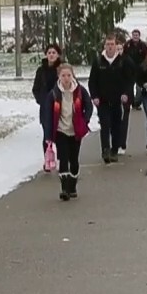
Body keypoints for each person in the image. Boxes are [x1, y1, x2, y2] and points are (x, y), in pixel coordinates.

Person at [40, 64, 93, 201]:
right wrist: (48, 134)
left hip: (75, 130)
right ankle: (64, 188)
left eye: (68, 75)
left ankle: (73, 185)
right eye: (63, 75)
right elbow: (48, 114)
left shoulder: (80, 91)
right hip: (60, 130)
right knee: (63, 158)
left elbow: (88, 105)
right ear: (59, 77)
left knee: (73, 160)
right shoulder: (54, 94)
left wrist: (85, 120)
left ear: (72, 75)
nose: (66, 78)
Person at [87, 35, 135, 162]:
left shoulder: (122, 61)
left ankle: (114, 150)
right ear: (104, 46)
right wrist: (94, 96)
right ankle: (105, 150)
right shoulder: (98, 62)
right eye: (107, 44)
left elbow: (129, 80)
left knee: (116, 126)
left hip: (118, 100)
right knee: (105, 125)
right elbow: (92, 81)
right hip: (102, 100)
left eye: (112, 44)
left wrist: (126, 93)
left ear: (116, 46)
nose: (110, 47)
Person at [30, 43, 63, 157]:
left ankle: (61, 158)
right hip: (46, 108)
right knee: (47, 134)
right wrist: (41, 100)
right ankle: (47, 158)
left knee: (60, 133)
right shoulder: (41, 70)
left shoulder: (62, 69)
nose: (51, 55)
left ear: (58, 54)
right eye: (49, 53)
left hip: (60, 106)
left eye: (54, 52)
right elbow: (36, 88)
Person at [123, 29, 147, 116]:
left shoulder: (143, 46)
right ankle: (130, 102)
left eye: (137, 35)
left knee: (139, 88)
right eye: (134, 35)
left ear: (139, 36)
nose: (135, 37)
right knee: (129, 87)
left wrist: (144, 67)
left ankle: (136, 103)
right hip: (129, 70)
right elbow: (124, 55)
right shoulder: (127, 45)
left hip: (139, 70)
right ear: (132, 36)